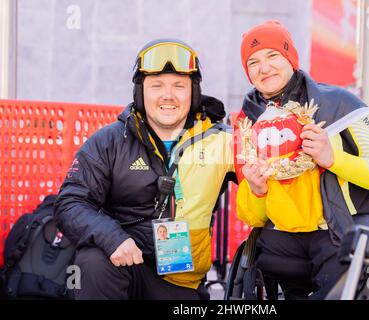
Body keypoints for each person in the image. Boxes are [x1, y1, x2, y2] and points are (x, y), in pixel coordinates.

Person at [233, 20, 369, 299]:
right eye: (253, 62)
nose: (264, 68)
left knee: (361, 281)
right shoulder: (247, 123)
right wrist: (257, 190)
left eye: (273, 55)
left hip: (342, 229)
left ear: (290, 58)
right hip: (284, 239)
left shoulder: (340, 103)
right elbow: (251, 216)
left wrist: (332, 158)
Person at [54, 39, 235, 300]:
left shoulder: (218, 141)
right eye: (157, 85)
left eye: (179, 86)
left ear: (193, 93)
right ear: (140, 93)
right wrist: (112, 238)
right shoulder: (110, 141)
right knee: (93, 259)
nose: (168, 95)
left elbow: (273, 167)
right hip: (125, 267)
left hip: (181, 284)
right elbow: (70, 203)